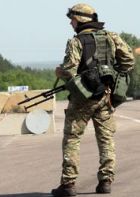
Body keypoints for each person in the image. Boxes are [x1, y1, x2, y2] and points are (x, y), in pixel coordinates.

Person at [51, 3, 135, 197]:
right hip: (106, 97)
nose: (71, 23)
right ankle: (106, 182)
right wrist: (110, 76)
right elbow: (129, 60)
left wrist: (59, 72)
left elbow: (69, 70)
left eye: (72, 19)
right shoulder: (111, 37)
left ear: (80, 19)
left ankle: (68, 185)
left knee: (72, 139)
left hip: (82, 99)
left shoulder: (76, 41)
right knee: (106, 139)